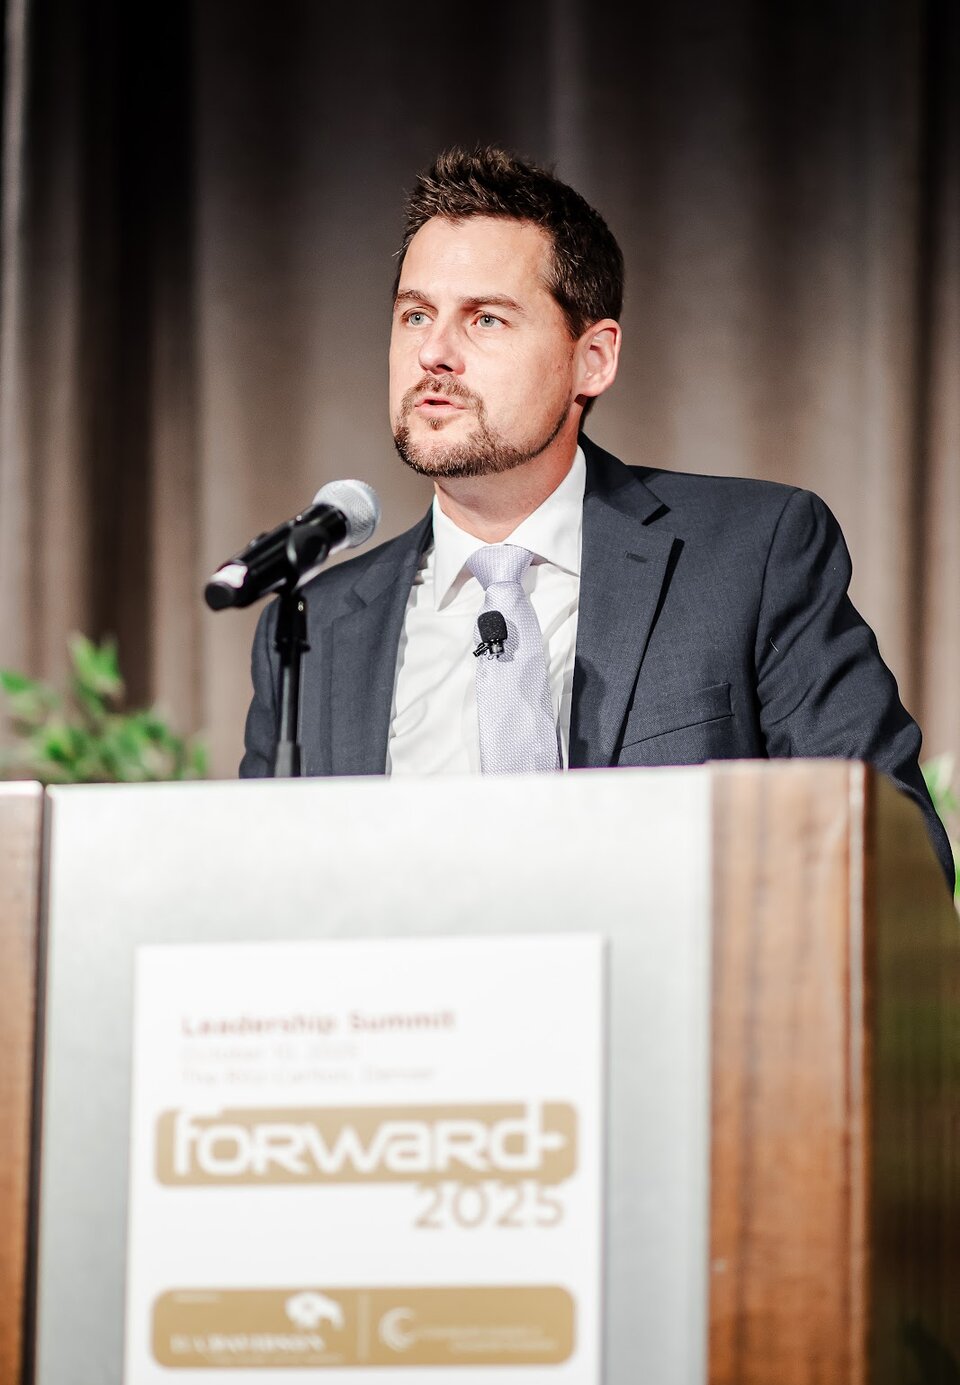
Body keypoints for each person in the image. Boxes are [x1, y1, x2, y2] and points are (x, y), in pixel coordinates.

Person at [241, 145, 954, 888]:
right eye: (415, 315)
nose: (434, 353)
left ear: (594, 360)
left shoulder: (751, 556)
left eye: (486, 319)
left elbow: (898, 862)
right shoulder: (314, 631)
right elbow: (252, 903)